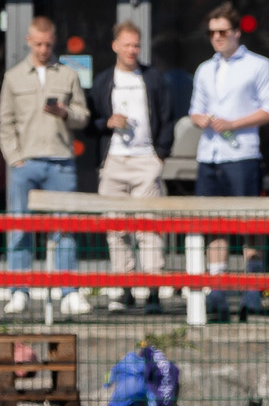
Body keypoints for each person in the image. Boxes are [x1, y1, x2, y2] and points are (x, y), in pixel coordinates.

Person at [189, 2, 269, 322]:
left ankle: (252, 289)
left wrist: (234, 123)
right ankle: (216, 289)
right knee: (213, 224)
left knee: (248, 225)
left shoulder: (258, 65)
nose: (216, 37)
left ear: (237, 32)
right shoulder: (205, 69)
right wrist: (201, 119)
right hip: (210, 154)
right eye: (211, 33)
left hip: (242, 154)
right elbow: (195, 109)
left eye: (222, 32)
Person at [0, 16, 91, 316]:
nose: (43, 49)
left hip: (60, 161)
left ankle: (69, 292)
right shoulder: (13, 77)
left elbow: (83, 116)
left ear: (54, 42)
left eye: (48, 44)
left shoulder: (68, 74)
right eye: (38, 44)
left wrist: (66, 113)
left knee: (64, 228)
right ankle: (19, 291)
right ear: (29, 41)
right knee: (19, 227)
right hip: (25, 163)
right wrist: (15, 158)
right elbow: (4, 122)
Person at [88, 21, 174, 314]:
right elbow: (90, 123)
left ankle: (153, 291)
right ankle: (122, 289)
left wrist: (160, 156)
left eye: (136, 45)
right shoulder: (103, 81)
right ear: (115, 46)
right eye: (127, 45)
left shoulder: (153, 78)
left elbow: (167, 117)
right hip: (113, 160)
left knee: (149, 228)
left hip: (146, 160)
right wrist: (107, 122)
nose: (132, 50)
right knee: (116, 228)